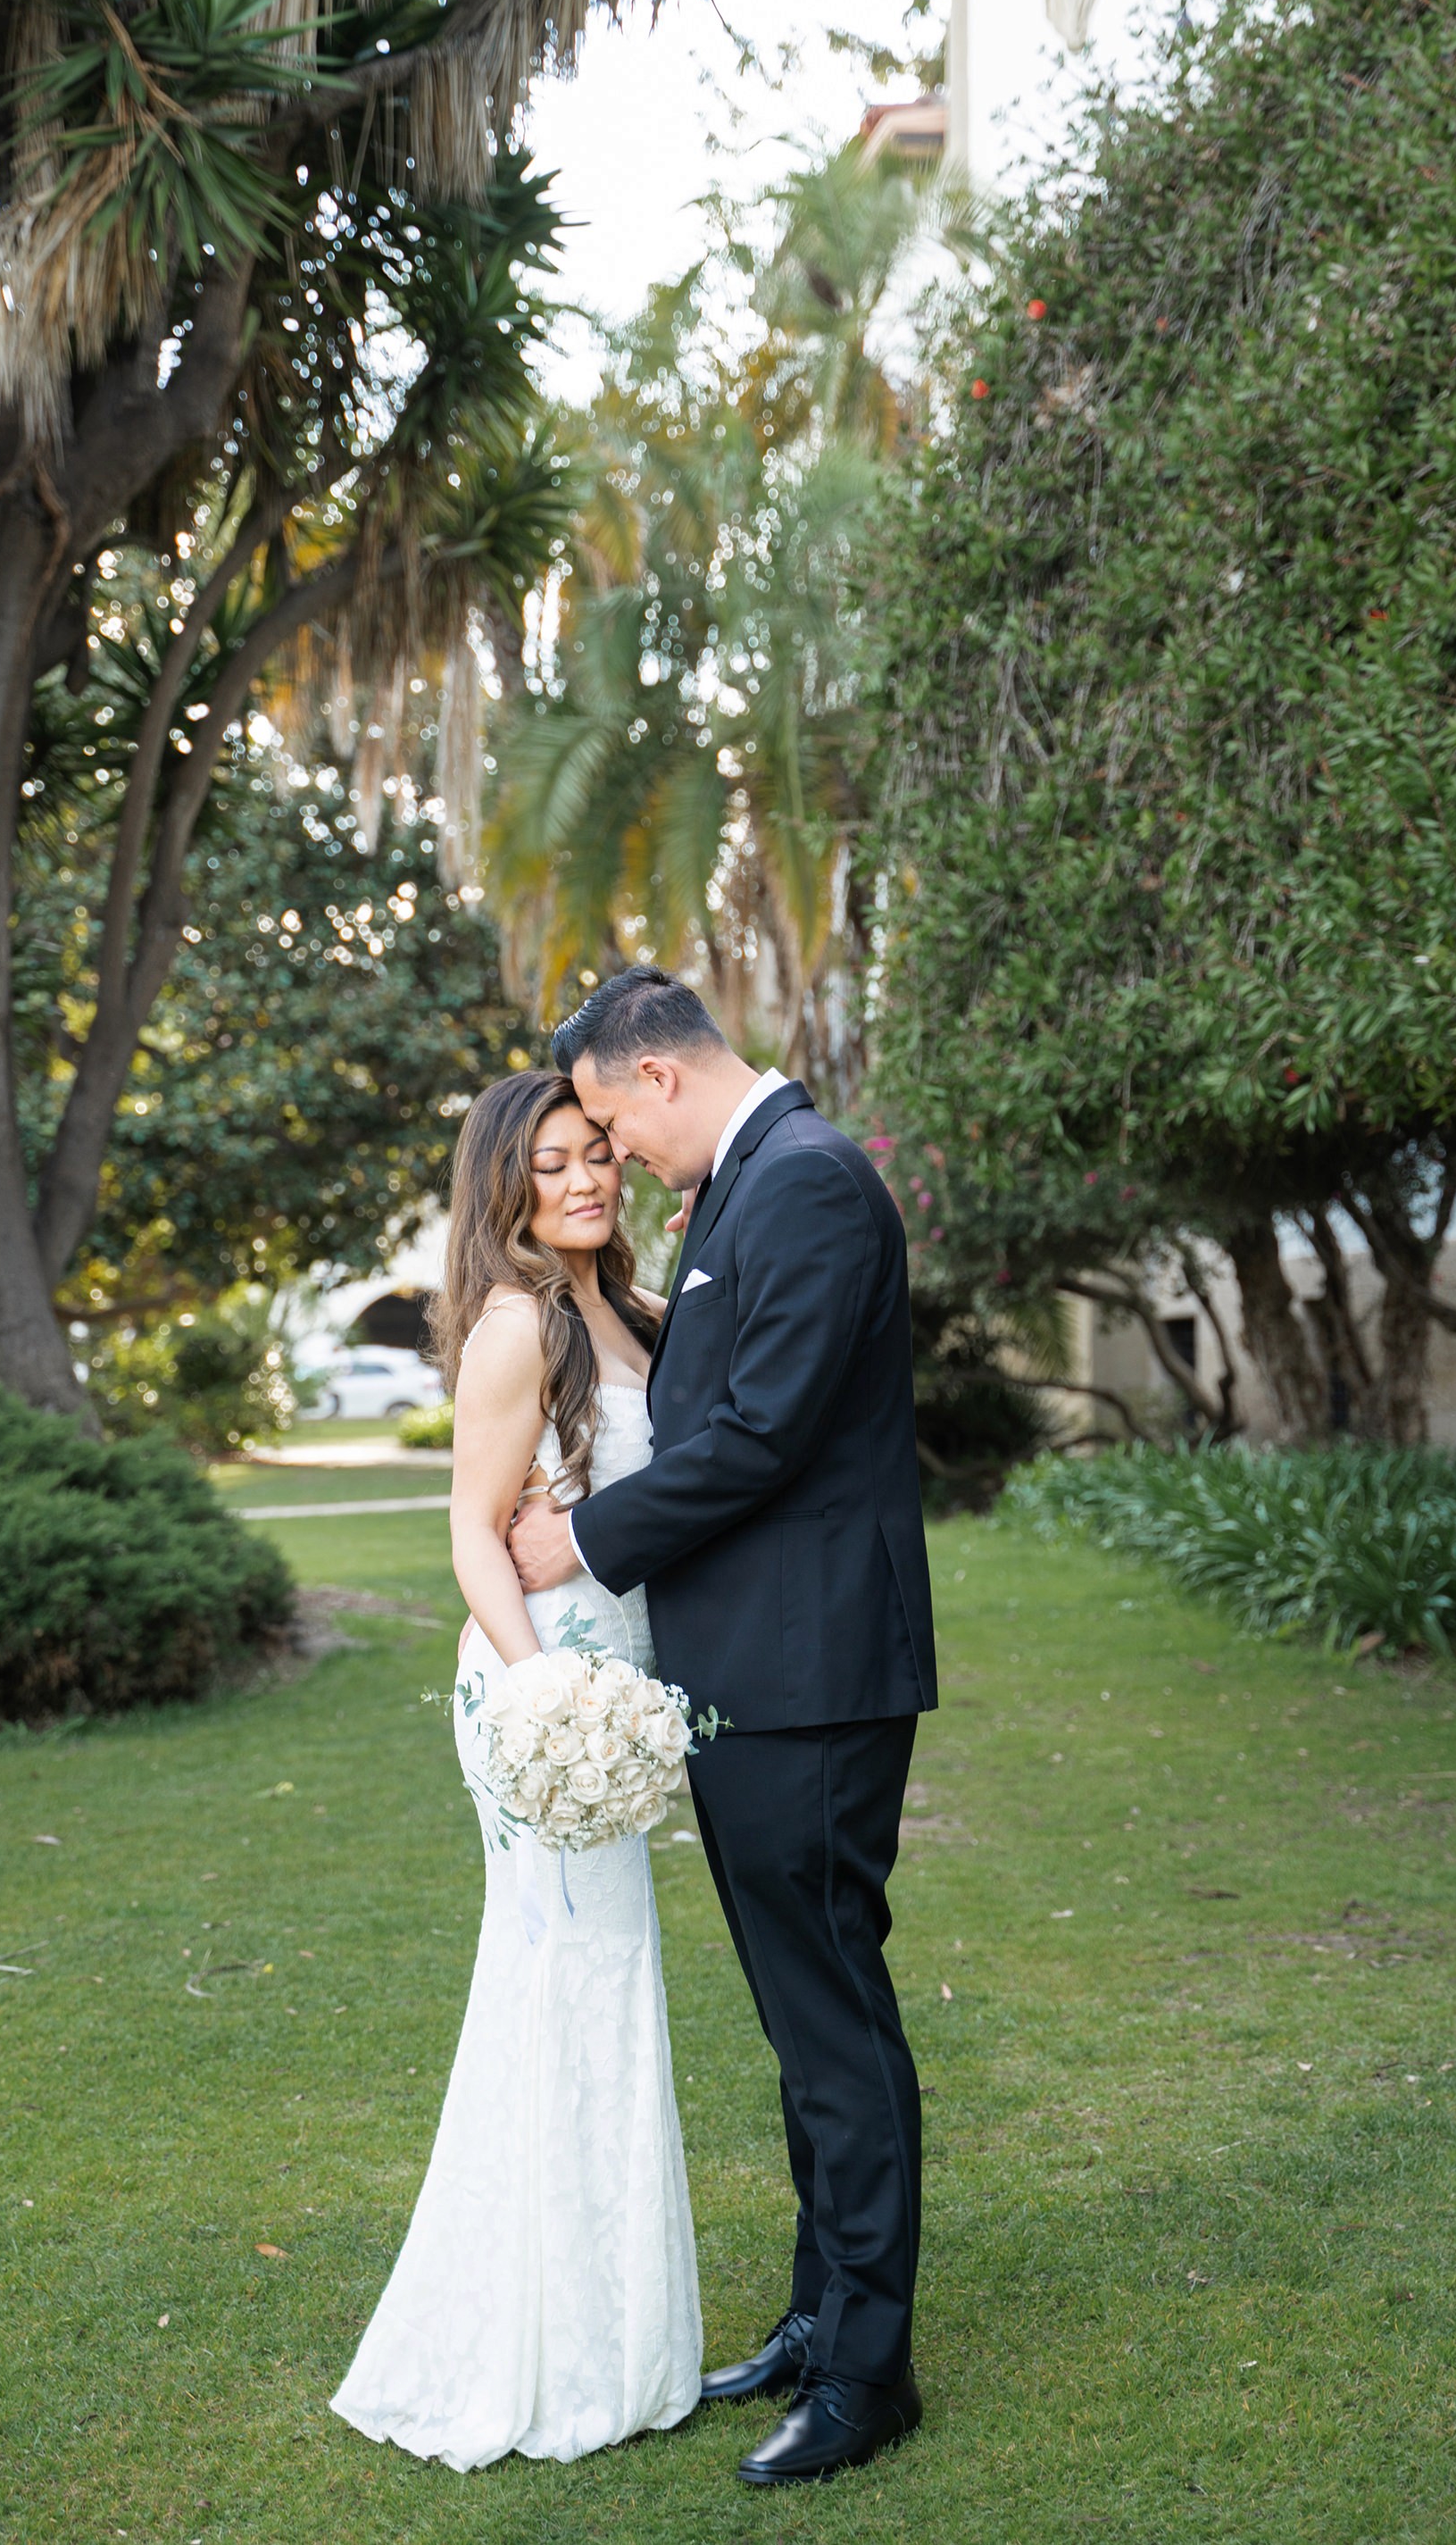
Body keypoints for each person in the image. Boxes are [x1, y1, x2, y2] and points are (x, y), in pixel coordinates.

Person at [509, 967, 936, 2488]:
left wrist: (583, 1539)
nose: (614, 1153)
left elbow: (764, 1429)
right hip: (757, 1669)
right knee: (799, 2018)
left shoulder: (803, 1179)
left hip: (807, 1673)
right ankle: (819, 2317)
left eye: (611, 1121)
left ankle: (868, 2369)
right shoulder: (753, 1176)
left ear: (656, 1074)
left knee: (831, 2017)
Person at [330, 1069, 701, 2472]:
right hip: (549, 1699)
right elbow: (472, 1533)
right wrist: (545, 1687)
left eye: (596, 1151)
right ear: (505, 1184)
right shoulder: (514, 1322)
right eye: (549, 1163)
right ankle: (538, 2352)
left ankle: (607, 2330)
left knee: (603, 1991)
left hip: (618, 1692)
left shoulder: (630, 1308)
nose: (585, 1178)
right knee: (564, 1989)